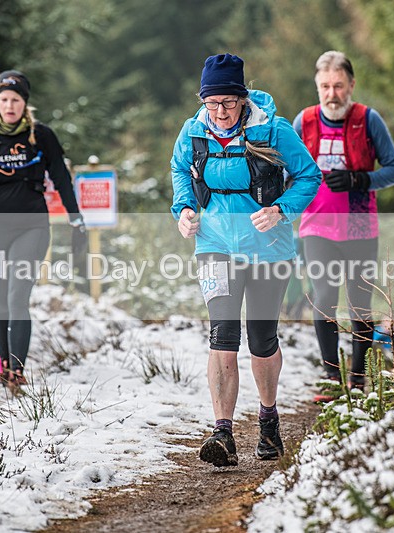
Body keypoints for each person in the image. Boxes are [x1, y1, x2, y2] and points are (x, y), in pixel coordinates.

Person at [171, 53, 321, 467]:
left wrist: (281, 210)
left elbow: (309, 176)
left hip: (268, 248)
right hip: (214, 243)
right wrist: (183, 209)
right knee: (222, 335)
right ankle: (223, 433)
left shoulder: (273, 129)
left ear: (242, 97)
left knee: (261, 338)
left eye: (228, 103)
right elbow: (180, 170)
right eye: (211, 103)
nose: (219, 112)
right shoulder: (193, 131)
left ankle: (269, 421)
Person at [0, 70, 87, 390]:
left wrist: (76, 219)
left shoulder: (42, 136)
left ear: (24, 103)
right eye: (3, 99)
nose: (9, 105)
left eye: (15, 99)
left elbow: (61, 179)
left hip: (32, 226)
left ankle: (17, 370)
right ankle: (1, 365)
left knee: (18, 297)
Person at [293, 51, 394, 400]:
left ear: (351, 85)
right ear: (317, 87)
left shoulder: (368, 120)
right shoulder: (305, 122)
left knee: (359, 303)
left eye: (339, 86)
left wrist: (359, 179)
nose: (332, 94)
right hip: (315, 225)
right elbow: (287, 170)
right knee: (324, 296)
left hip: (359, 226)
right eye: (325, 86)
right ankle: (330, 378)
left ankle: (357, 378)